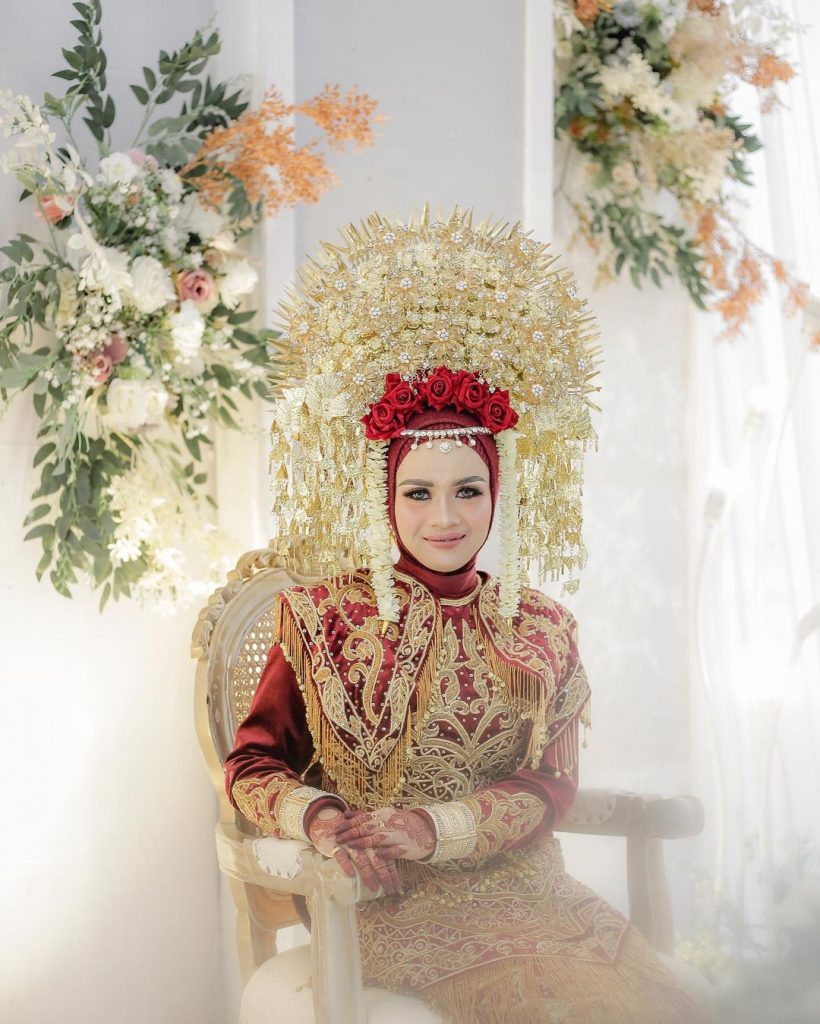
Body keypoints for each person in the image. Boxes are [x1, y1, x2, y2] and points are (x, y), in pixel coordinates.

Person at [224, 208, 704, 1022]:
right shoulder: (322, 618)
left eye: (467, 490)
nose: (444, 517)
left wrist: (435, 825)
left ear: (497, 493)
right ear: (385, 498)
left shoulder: (542, 626)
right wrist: (324, 818)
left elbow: (551, 782)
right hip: (383, 906)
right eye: (418, 492)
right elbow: (254, 765)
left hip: (534, 897)